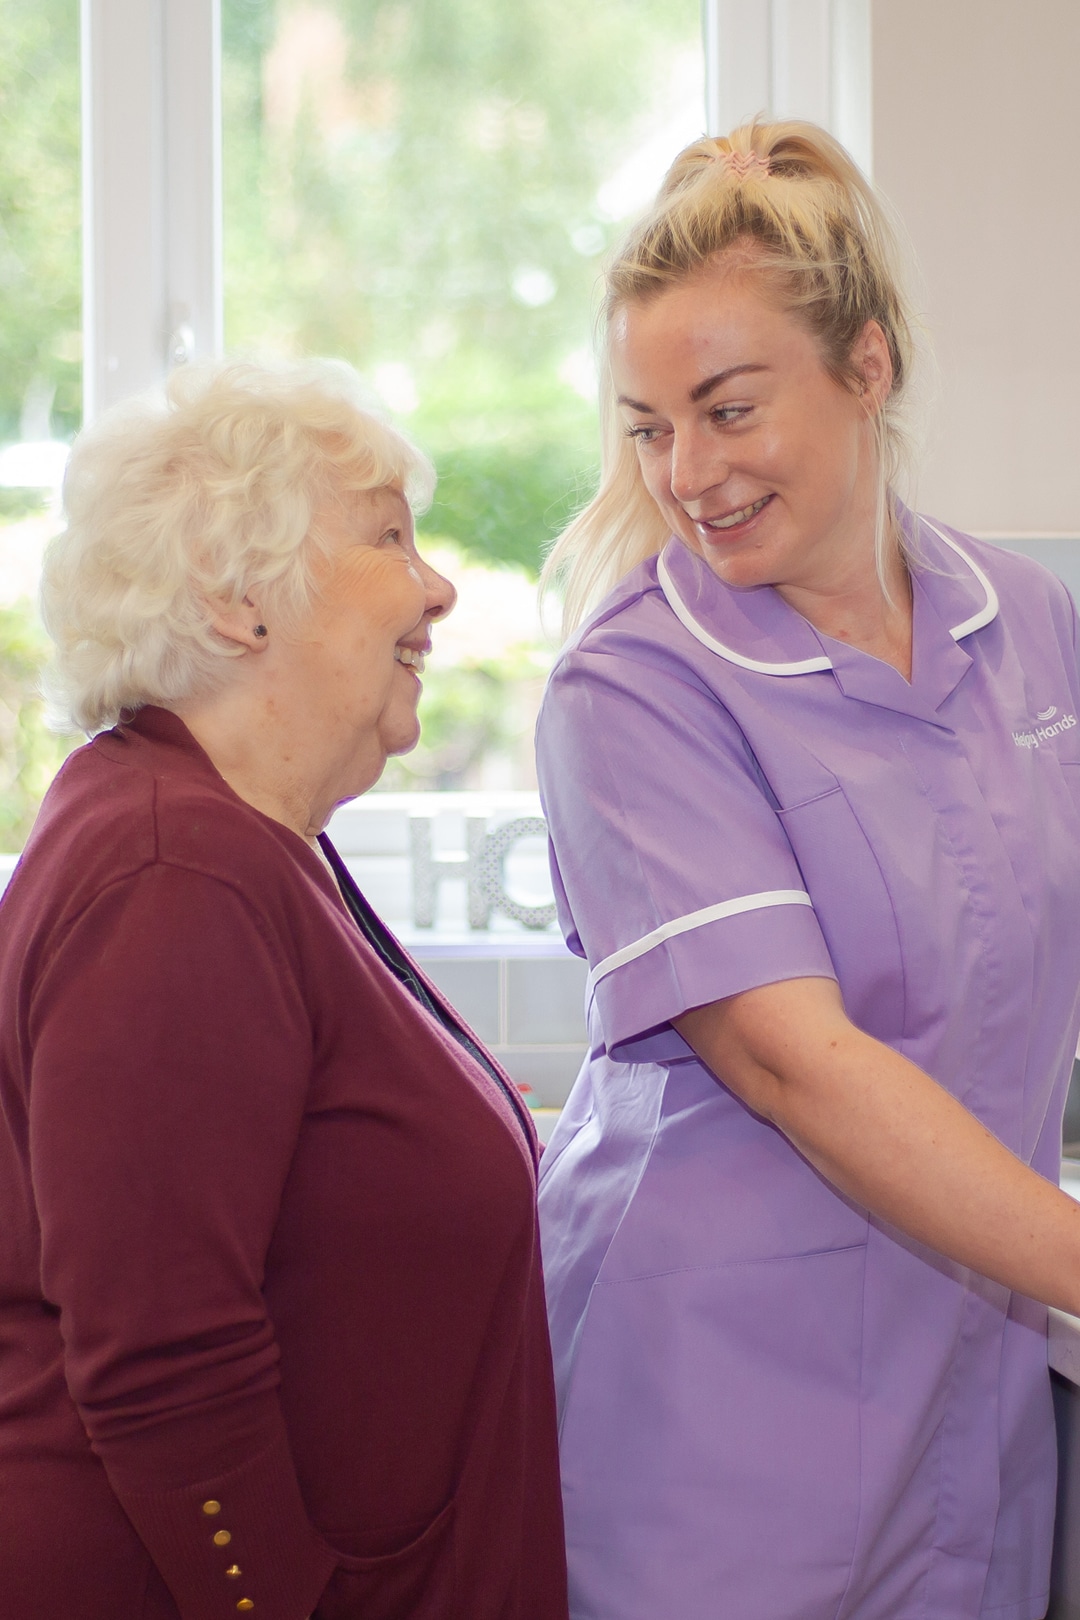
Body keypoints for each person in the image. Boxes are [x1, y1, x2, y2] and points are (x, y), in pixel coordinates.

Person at [535, 120, 1080, 1620]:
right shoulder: (635, 688)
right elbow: (797, 1066)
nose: (685, 473)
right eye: (647, 425)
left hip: (966, 1394)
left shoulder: (1023, 621)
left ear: (869, 367)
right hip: (717, 1424)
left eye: (727, 410)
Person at [0, 359, 568, 1620]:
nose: (437, 585)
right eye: (387, 535)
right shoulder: (173, 873)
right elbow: (163, 1363)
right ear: (236, 598)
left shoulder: (237, 838)